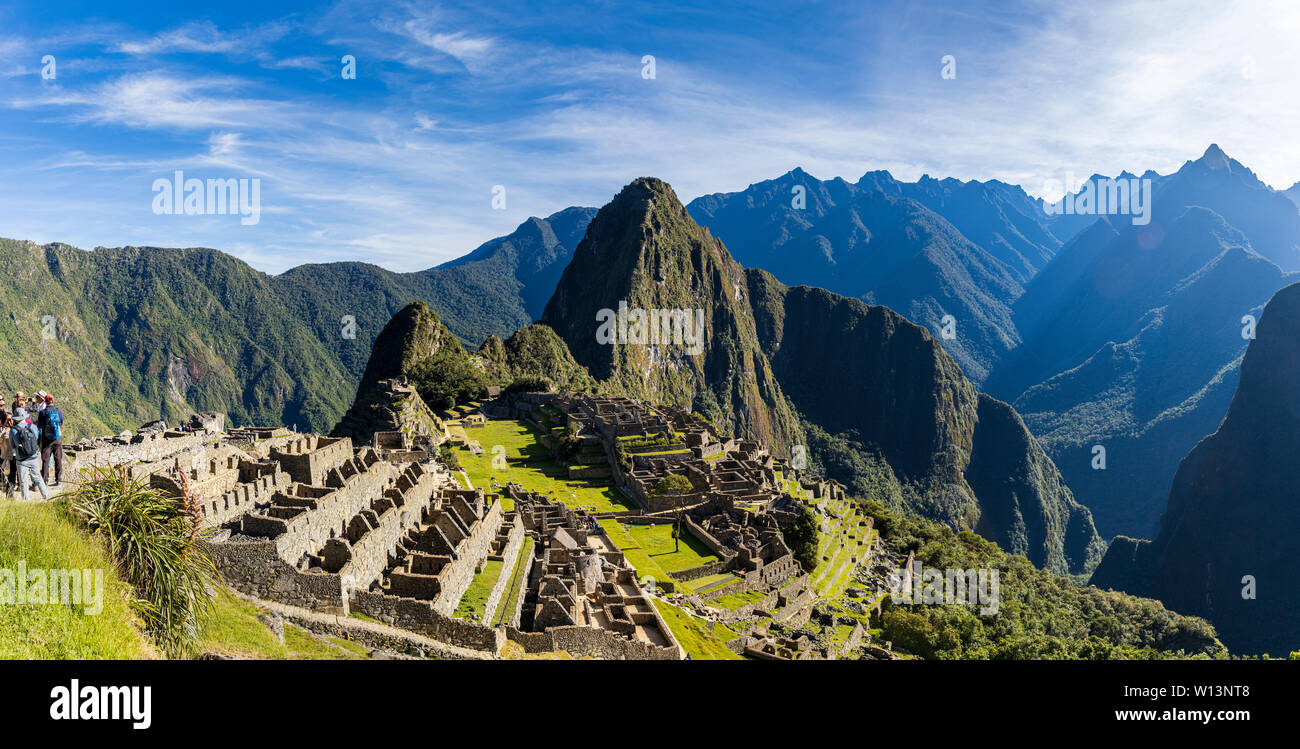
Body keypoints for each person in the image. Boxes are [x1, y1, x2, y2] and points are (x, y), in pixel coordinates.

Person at [11, 408, 50, 501]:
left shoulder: (13, 430)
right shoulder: (33, 427)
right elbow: (37, 439)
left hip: (21, 460)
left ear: (16, 418)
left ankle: (26, 501)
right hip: (33, 457)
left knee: (23, 482)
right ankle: (47, 497)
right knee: (38, 478)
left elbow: (12, 445)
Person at [37, 394, 63, 486]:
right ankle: (58, 479)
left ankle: (45, 480)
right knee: (58, 459)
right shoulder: (59, 411)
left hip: (46, 439)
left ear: (45, 401)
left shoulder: (42, 412)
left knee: (45, 460)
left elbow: (39, 425)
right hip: (57, 439)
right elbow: (61, 422)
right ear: (53, 401)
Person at [0, 409, 11, 497]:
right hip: (7, 456)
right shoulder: (7, 432)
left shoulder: (6, 431)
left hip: (6, 455)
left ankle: (4, 486)